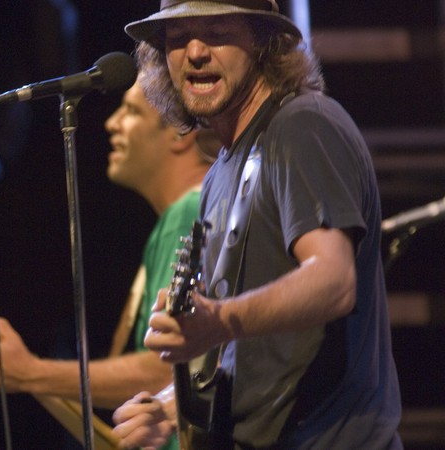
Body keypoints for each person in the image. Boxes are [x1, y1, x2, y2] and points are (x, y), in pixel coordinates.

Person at [111, 1, 403, 449]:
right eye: (176, 38)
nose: (194, 51)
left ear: (263, 42)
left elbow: (333, 279)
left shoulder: (303, 125)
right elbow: (245, 355)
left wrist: (221, 320)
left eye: (217, 30)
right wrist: (171, 405)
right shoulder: (221, 171)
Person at [0, 78, 218, 449]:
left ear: (180, 134)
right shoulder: (187, 213)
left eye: (131, 112)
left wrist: (32, 372)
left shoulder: (185, 214)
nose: (110, 123)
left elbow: (167, 369)